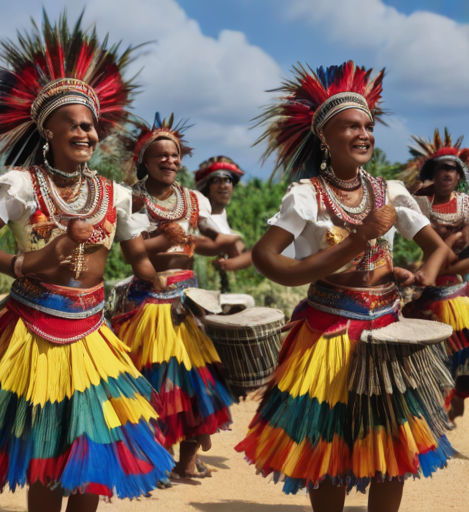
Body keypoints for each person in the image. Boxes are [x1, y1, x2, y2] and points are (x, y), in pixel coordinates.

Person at [0, 13, 174, 512]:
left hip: (92, 330)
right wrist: (25, 263)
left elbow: (136, 256)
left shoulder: (115, 194)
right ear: (46, 129)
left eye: (91, 124)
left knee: (90, 448)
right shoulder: (20, 186)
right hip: (33, 330)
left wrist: (158, 265)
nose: (86, 132)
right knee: (48, 451)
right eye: (73, 123)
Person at [234, 61, 454, 512]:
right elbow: (266, 259)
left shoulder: (391, 192)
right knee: (328, 441)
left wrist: (420, 278)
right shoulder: (306, 195)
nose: (363, 134)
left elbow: (437, 250)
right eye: (350, 126)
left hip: (387, 330)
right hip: (328, 330)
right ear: (325, 137)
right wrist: (358, 238)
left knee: (391, 441)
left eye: (368, 126)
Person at [110, 114, 237, 480]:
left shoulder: (193, 199)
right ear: (144, 161)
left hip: (188, 296)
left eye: (175, 155)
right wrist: (167, 239)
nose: (170, 161)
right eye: (160, 155)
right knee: (159, 381)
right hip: (149, 299)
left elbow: (209, 241)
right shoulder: (132, 200)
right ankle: (156, 459)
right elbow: (133, 255)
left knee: (196, 382)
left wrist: (224, 245)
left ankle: (188, 460)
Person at [401, 128, 469, 423]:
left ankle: (454, 398)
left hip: (457, 288)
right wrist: (450, 242)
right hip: (427, 287)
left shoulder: (467, 204)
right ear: (432, 171)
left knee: (457, 351)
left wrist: (448, 245)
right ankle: (437, 404)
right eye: (442, 167)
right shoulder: (418, 205)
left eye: (453, 169)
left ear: (459, 176)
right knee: (429, 353)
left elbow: (456, 258)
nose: (448, 174)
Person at [194, 156, 252, 273]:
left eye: (227, 180)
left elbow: (240, 254)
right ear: (207, 187)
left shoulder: (224, 217)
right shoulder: (198, 212)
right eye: (216, 181)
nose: (223, 186)